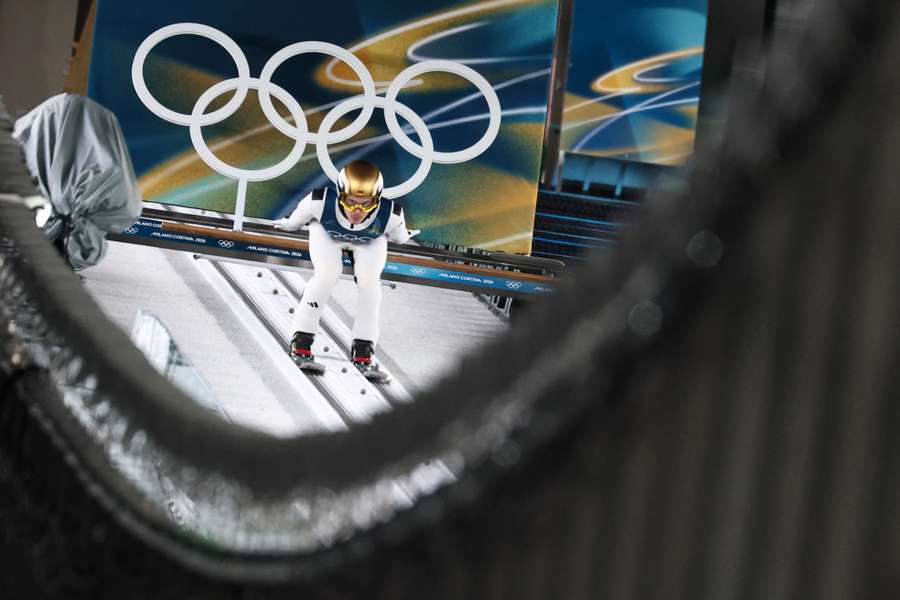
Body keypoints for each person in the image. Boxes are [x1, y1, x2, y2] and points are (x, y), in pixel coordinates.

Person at [273, 160, 419, 379]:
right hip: (327, 233)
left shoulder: (391, 214)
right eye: (351, 201)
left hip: (370, 240)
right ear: (340, 194)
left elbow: (400, 238)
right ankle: (301, 341)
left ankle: (363, 350)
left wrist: (406, 233)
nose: (357, 210)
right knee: (326, 275)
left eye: (366, 203)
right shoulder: (319, 201)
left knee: (371, 285)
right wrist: (286, 224)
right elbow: (294, 222)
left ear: (377, 199)